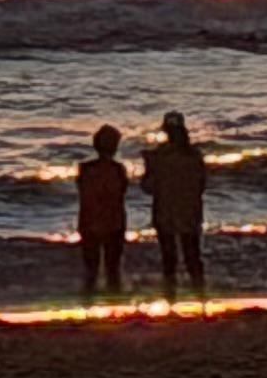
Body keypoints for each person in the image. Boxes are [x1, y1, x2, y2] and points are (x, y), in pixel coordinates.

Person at [143, 110, 209, 302]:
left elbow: (148, 187)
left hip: (165, 212)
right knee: (193, 257)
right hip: (190, 212)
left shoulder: (158, 157)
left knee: (169, 260)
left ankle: (170, 301)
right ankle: (201, 299)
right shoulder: (194, 155)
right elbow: (201, 185)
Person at [73, 122, 130, 301]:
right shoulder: (118, 169)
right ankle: (114, 303)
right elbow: (122, 191)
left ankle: (88, 303)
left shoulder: (85, 169)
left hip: (90, 221)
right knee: (112, 268)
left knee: (91, 269)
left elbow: (82, 190)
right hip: (113, 221)